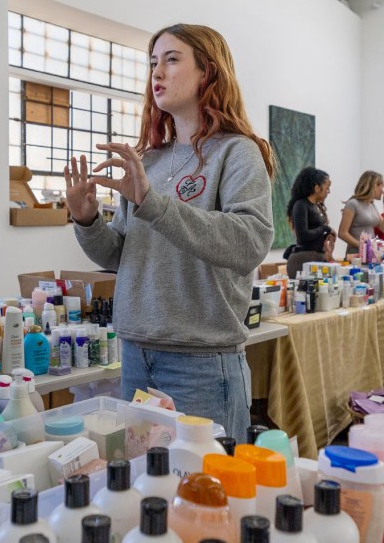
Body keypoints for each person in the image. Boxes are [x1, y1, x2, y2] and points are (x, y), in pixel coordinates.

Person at [64, 23, 274, 442]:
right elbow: (120, 255)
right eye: (153, 62)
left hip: (200, 362)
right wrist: (86, 220)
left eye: (172, 60)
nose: (157, 72)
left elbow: (249, 241)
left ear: (208, 74)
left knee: (206, 492)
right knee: (148, 490)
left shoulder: (236, 152)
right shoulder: (149, 161)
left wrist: (154, 204)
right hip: (136, 353)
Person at [284, 167, 336, 277]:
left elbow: (316, 231)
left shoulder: (317, 206)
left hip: (317, 257)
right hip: (303, 260)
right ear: (317, 188)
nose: (328, 192)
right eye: (327, 188)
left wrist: (328, 235)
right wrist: (325, 229)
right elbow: (303, 235)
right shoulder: (301, 205)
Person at [338, 170, 384, 255]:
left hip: (370, 253)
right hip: (356, 253)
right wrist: (361, 246)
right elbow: (342, 233)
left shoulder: (372, 205)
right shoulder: (353, 203)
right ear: (373, 186)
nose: (382, 191)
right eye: (381, 186)